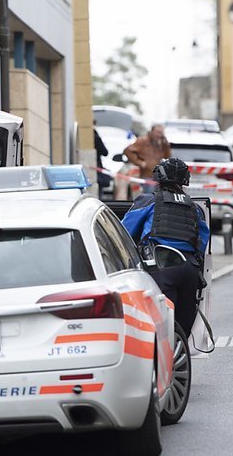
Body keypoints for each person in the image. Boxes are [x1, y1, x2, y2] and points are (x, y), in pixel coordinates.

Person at [121, 158, 210, 335]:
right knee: (181, 332)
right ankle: (179, 358)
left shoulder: (148, 201)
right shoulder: (194, 207)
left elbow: (124, 232)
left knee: (161, 331)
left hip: (162, 267)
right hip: (190, 271)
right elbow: (203, 240)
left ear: (158, 178)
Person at [123, 124, 171, 193]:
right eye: (158, 132)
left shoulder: (162, 142)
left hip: (159, 176)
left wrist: (165, 144)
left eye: (161, 133)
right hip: (147, 175)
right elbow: (127, 151)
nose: (159, 135)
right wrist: (139, 162)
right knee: (149, 196)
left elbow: (167, 156)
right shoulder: (143, 140)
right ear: (152, 131)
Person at [93, 120, 110, 197]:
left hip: (95, 168)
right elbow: (105, 152)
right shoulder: (95, 136)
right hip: (96, 168)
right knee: (99, 195)